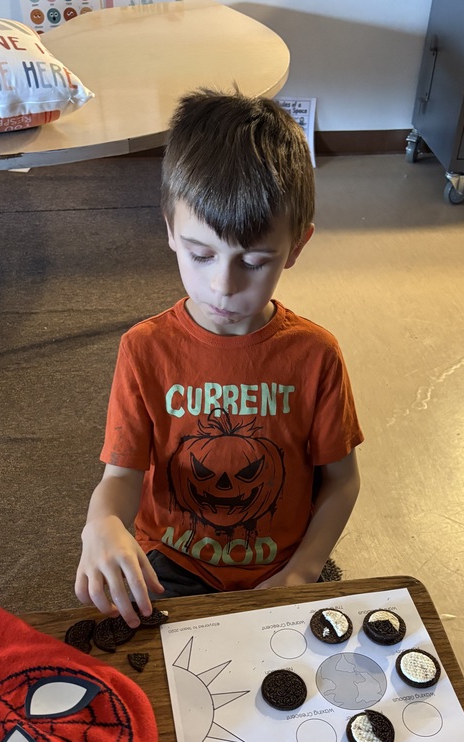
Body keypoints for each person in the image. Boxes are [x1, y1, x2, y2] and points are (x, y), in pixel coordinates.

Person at [75, 88, 364, 626]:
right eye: (200, 254)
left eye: (253, 261)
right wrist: (100, 523)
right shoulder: (144, 349)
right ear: (169, 229)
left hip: (285, 561)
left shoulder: (315, 355)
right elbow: (121, 476)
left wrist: (302, 570)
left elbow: (342, 480)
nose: (222, 286)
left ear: (297, 246)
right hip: (174, 565)